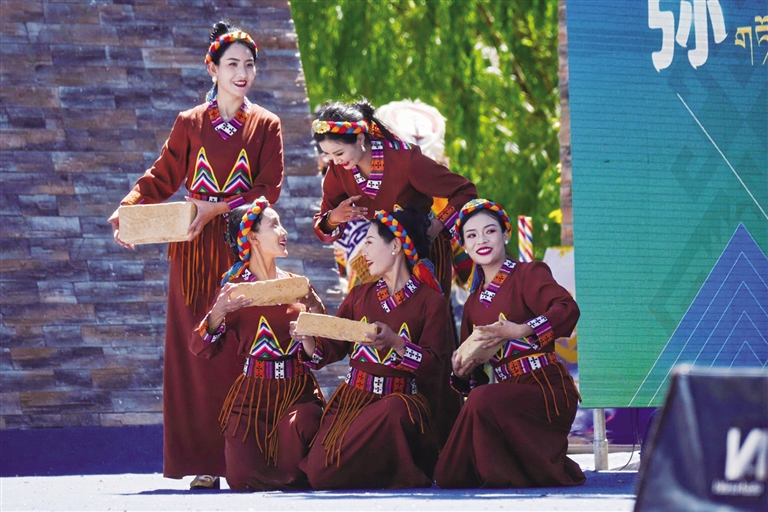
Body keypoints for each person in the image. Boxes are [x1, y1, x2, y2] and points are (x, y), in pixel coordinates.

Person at [107, 21, 284, 488]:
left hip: (244, 250)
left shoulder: (266, 124)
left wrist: (216, 209)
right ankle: (206, 462)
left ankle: (246, 458)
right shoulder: (189, 122)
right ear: (212, 68)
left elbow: (268, 190)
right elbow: (162, 175)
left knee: (240, 351)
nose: (242, 73)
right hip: (192, 256)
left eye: (249, 65)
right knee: (196, 356)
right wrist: (129, 208)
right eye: (233, 64)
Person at [294, 208, 457, 489]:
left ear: (396, 246)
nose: (363, 252)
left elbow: (435, 367)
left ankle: (393, 469)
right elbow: (332, 348)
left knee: (394, 409)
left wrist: (397, 343)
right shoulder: (359, 296)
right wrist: (306, 338)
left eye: (369, 242)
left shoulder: (431, 302)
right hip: (353, 402)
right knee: (320, 474)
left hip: (401, 407)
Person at [434, 199, 586, 489]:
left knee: (481, 401)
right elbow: (475, 377)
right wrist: (461, 371)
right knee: (448, 473)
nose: (481, 240)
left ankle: (518, 471)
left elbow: (567, 308)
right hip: (503, 395)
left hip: (545, 388)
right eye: (472, 235)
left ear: (505, 234)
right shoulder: (473, 303)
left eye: (490, 231)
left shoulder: (528, 274)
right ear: (464, 246)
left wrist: (520, 330)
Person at [191, 198, 324, 491]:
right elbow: (201, 348)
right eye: (274, 225)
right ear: (252, 238)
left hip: (298, 393)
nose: (283, 231)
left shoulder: (297, 285)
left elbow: (324, 352)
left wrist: (314, 309)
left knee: (303, 441)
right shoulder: (235, 291)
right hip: (252, 401)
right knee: (242, 480)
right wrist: (217, 313)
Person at [311, 99, 477, 297]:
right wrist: (334, 218)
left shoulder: (405, 160)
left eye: (339, 153)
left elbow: (465, 191)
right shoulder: (338, 170)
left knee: (426, 311)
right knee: (369, 310)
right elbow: (322, 227)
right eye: (328, 155)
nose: (335, 161)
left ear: (360, 139)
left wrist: (438, 225)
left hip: (423, 249)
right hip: (379, 254)